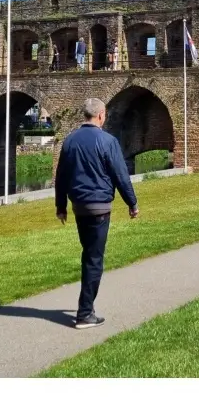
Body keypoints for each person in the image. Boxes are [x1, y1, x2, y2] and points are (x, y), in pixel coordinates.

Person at [55, 98, 139, 330]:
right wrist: (132, 203)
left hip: (79, 206)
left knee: (88, 254)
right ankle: (85, 314)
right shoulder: (107, 141)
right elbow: (120, 175)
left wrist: (60, 206)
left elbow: (61, 177)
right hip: (99, 206)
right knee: (94, 259)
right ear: (101, 115)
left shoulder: (70, 141)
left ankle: (86, 307)